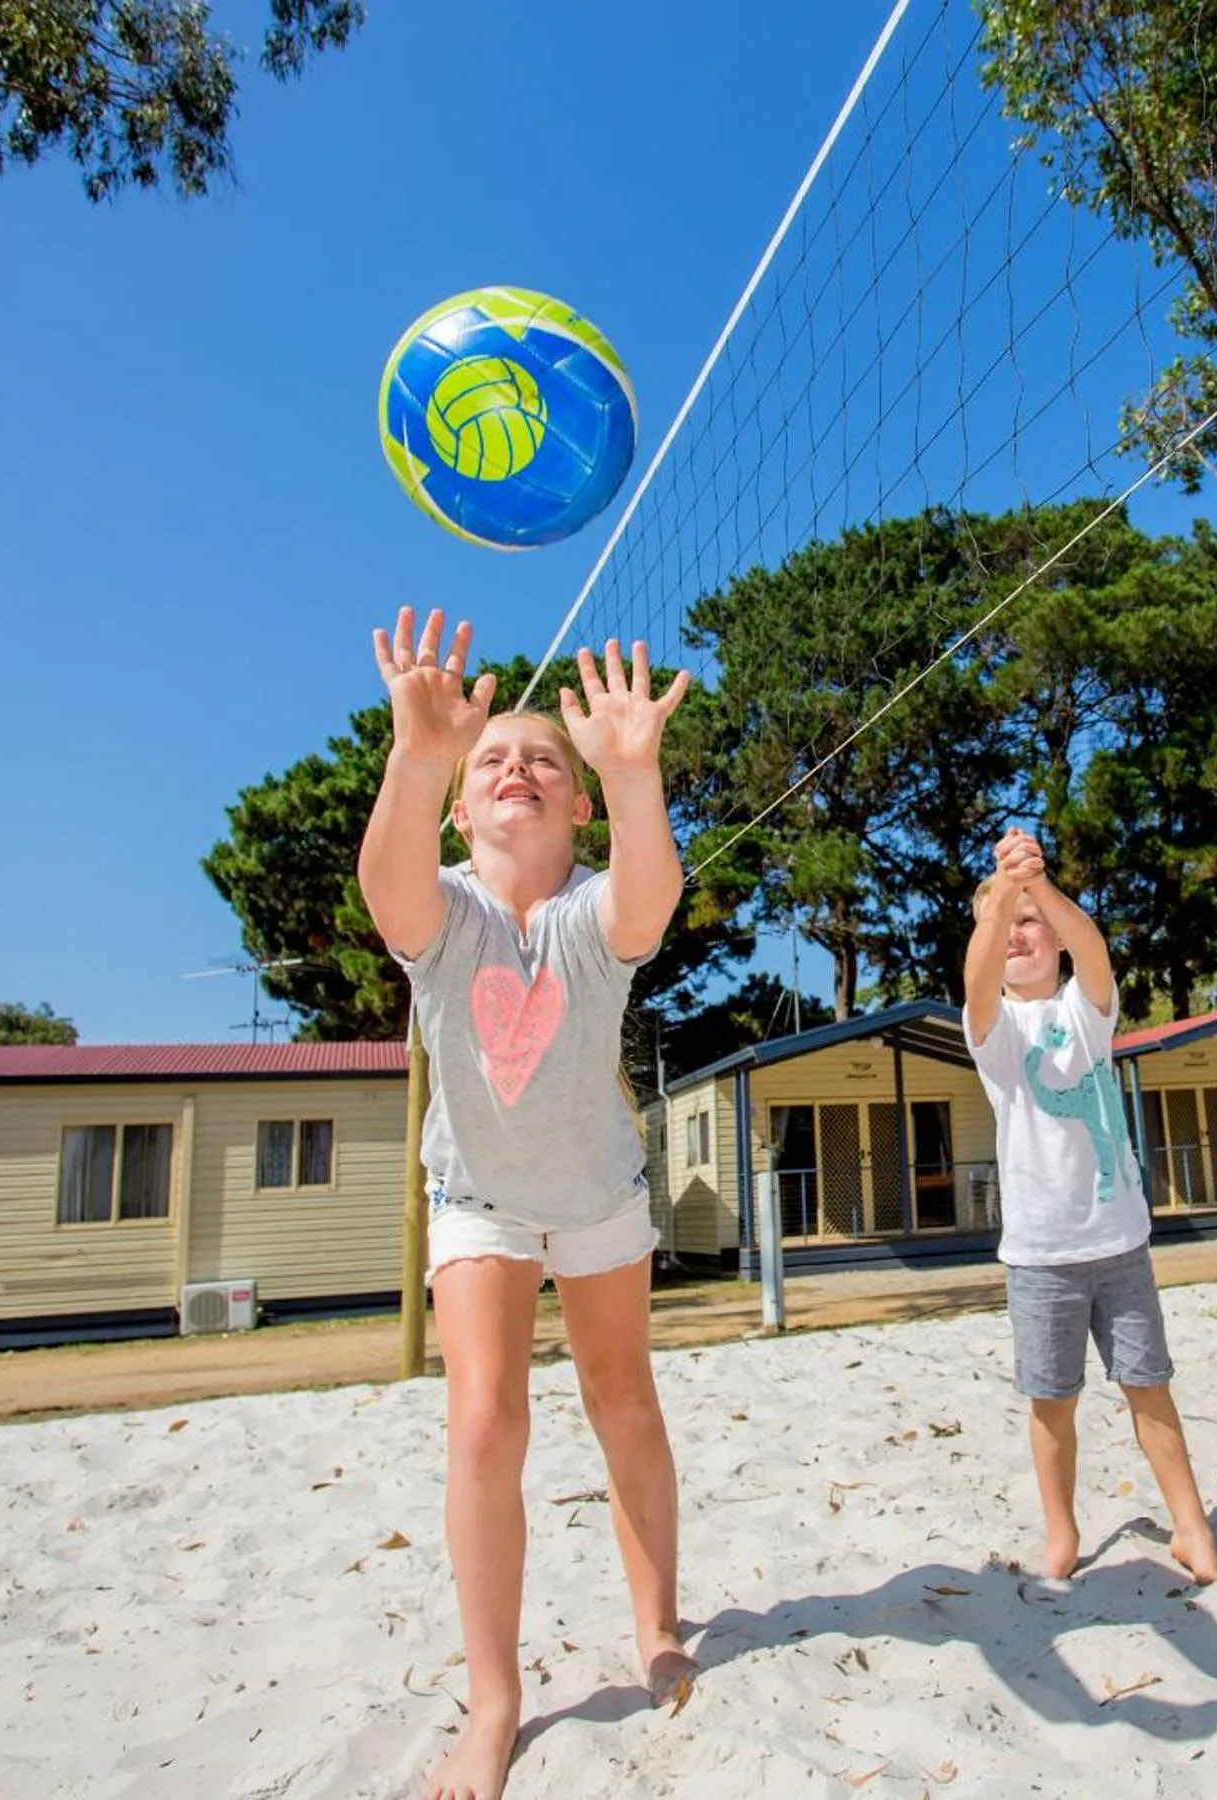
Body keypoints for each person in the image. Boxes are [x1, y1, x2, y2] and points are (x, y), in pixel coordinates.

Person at [356, 608, 694, 1800]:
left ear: (580, 803)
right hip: (482, 1199)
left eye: (545, 759)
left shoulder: (594, 911)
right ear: (461, 807)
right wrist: (417, 752)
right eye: (493, 758)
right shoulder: (441, 909)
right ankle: (494, 1700)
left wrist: (636, 772)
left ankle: (657, 1625)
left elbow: (650, 903)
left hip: (597, 1193)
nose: (518, 768)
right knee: (487, 1426)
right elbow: (384, 883)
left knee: (624, 1406)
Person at [960, 827, 1217, 1587]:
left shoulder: (1085, 1010)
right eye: (1004, 926)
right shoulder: (994, 1031)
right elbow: (977, 977)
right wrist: (1002, 894)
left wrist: (1036, 884)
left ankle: (1190, 1524)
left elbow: (1094, 947)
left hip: (1119, 1242)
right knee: (1052, 1403)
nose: (1018, 935)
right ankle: (1062, 1529)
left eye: (1031, 924)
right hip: (1041, 1257)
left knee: (1149, 1387)